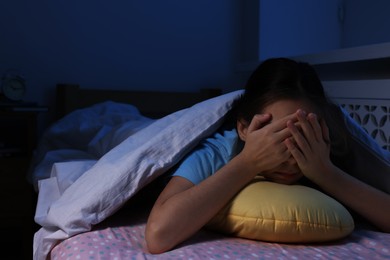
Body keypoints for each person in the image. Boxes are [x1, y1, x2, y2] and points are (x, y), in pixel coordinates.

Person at [145, 58, 390, 254]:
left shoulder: (324, 146)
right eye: (276, 136)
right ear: (243, 128)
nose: (289, 156)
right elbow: (158, 235)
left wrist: (325, 172)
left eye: (301, 137)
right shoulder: (218, 152)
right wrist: (248, 162)